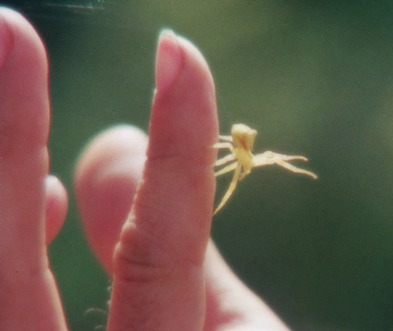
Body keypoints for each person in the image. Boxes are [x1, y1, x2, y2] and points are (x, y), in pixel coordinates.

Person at [0, 7, 289, 330]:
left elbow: (261, 159)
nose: (244, 170)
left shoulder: (239, 157)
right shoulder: (238, 158)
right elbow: (242, 162)